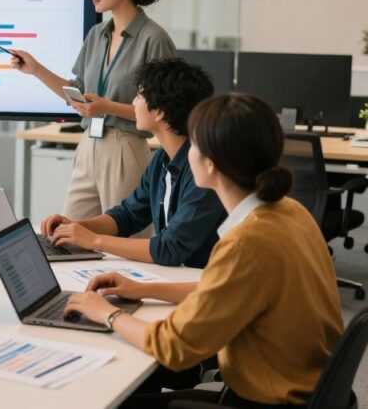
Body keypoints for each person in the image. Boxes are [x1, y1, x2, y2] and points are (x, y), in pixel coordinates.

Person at [64, 93, 344, 408]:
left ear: (211, 163)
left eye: (193, 145)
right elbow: (224, 288)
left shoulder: (248, 243)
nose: (187, 152)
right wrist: (144, 289)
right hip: (305, 388)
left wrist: (108, 314)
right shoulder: (289, 211)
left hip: (268, 400)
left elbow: (172, 347)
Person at [10, 0, 176, 220]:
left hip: (125, 147)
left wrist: (106, 108)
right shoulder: (97, 34)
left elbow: (162, 109)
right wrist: (36, 69)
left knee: (126, 238)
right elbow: (77, 91)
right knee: (69, 234)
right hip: (88, 144)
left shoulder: (154, 39)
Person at [42, 58, 226, 268]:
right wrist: (76, 226)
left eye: (139, 95)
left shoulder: (204, 171)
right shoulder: (162, 159)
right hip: (182, 276)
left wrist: (94, 240)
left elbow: (169, 249)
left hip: (206, 282)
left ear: (160, 112)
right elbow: (128, 216)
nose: (133, 103)